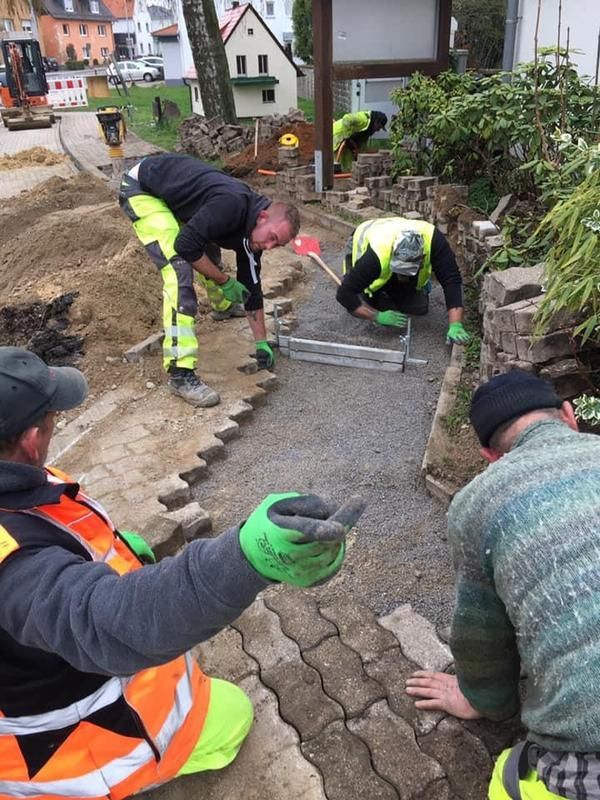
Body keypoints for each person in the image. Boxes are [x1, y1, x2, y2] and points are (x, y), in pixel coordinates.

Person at [0, 346, 365, 799]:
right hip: (63, 745)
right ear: (33, 438)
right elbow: (108, 622)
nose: (58, 422)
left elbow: (56, 543)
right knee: (232, 715)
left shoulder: (18, 483)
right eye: (54, 416)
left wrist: (115, 551)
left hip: (33, 669)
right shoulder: (11, 565)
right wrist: (244, 558)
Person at [405, 370, 600, 800]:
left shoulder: (477, 503)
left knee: (506, 781)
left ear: (489, 455)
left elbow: (481, 635)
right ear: (570, 416)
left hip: (587, 762)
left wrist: (482, 699)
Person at [119, 153, 301, 407]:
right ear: (262, 218)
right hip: (143, 189)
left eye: (276, 244)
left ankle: (223, 307)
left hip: (175, 193)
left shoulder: (253, 235)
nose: (269, 246)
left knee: (208, 251)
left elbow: (252, 287)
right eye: (271, 237)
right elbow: (185, 246)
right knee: (179, 268)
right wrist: (225, 281)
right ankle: (180, 372)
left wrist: (262, 342)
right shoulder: (231, 205)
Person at [336, 217, 470, 344]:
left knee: (418, 307)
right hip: (364, 238)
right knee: (359, 302)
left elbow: (452, 280)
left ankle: (390, 292)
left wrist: (455, 324)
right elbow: (344, 294)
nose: (403, 276)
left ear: (422, 258)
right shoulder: (376, 257)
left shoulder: (435, 241)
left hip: (395, 232)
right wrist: (376, 316)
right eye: (401, 271)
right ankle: (375, 294)